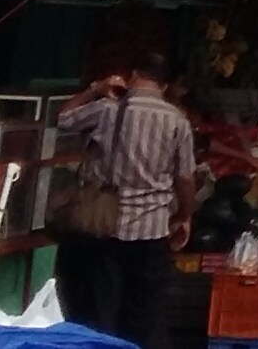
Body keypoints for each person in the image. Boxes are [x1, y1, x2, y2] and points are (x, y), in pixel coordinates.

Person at [54, 57, 198, 349]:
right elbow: (185, 178)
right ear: (164, 85)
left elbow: (63, 119)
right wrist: (185, 215)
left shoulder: (108, 109)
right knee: (148, 312)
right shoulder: (177, 121)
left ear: (133, 76)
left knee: (102, 310)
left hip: (107, 225)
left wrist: (96, 88)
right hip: (153, 230)